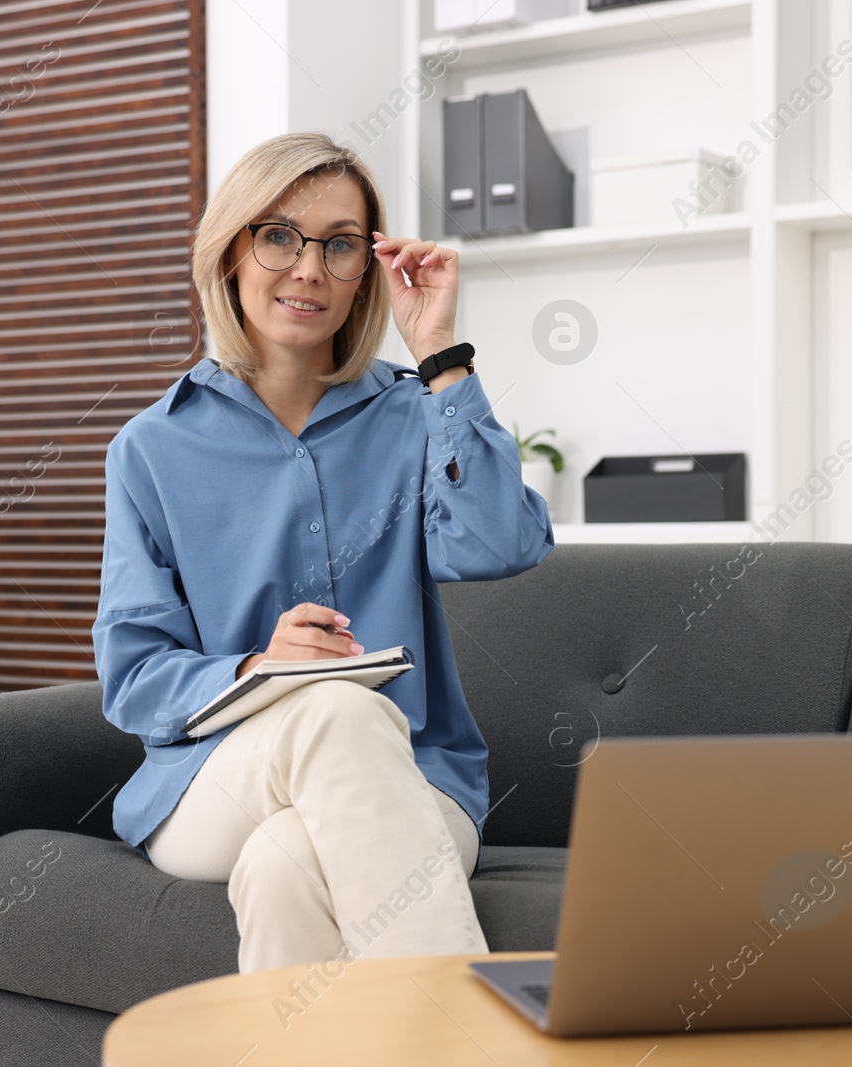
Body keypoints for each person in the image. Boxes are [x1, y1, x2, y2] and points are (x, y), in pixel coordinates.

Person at [91, 131, 554, 974]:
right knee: (334, 708)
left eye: (341, 245)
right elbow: (133, 677)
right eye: (279, 236)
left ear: (366, 271)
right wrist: (259, 668)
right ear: (231, 250)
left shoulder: (416, 415)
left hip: (414, 779)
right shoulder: (150, 449)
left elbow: (499, 543)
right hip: (212, 781)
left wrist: (441, 354)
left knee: (282, 871)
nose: (309, 268)